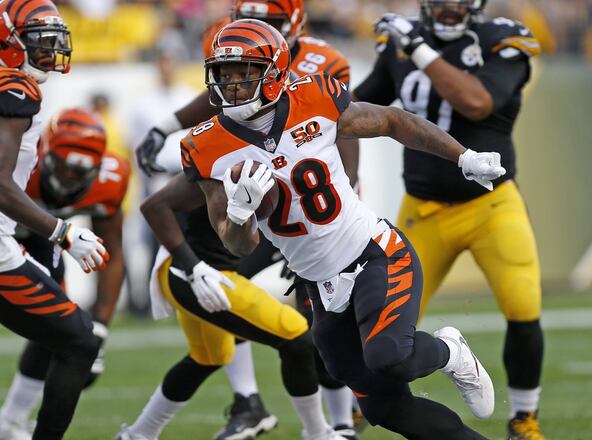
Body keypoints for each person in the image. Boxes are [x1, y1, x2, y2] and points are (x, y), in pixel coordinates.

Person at [166, 19, 504, 439]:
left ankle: (451, 351)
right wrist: (239, 213)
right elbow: (237, 246)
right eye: (223, 73)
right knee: (384, 405)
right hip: (319, 287)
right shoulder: (205, 146)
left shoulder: (313, 97)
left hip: (374, 254)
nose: (230, 83)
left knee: (388, 355)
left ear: (273, 73)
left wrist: (463, 157)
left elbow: (393, 121)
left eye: (243, 72)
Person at [134, 1, 360, 438]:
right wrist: (189, 263)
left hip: (302, 219)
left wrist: (348, 187)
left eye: (269, 23)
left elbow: (345, 126)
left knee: (315, 319)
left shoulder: (319, 72)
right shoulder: (216, 144)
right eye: (226, 74)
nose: (235, 85)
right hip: (216, 258)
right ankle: (258, 404)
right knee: (296, 330)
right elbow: (164, 203)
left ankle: (338, 420)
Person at [351, 1, 546, 439]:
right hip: (423, 208)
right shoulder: (398, 45)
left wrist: (419, 47)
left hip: (491, 206)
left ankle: (524, 418)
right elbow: (359, 106)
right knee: (382, 321)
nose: (448, 8)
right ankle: (363, 403)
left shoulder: (501, 40)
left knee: (522, 304)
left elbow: (476, 103)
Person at [0, 1, 108, 439]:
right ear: (8, 39)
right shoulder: (11, 86)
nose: (51, 49)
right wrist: (62, 232)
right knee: (76, 341)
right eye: (40, 40)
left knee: (78, 339)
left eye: (54, 39)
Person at [0, 108, 129, 439]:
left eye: (80, 174)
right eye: (61, 168)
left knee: (62, 326)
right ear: (43, 153)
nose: (68, 181)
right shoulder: (21, 160)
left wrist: (102, 326)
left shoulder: (110, 179)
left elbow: (114, 253)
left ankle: (9, 422)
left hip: (39, 236)